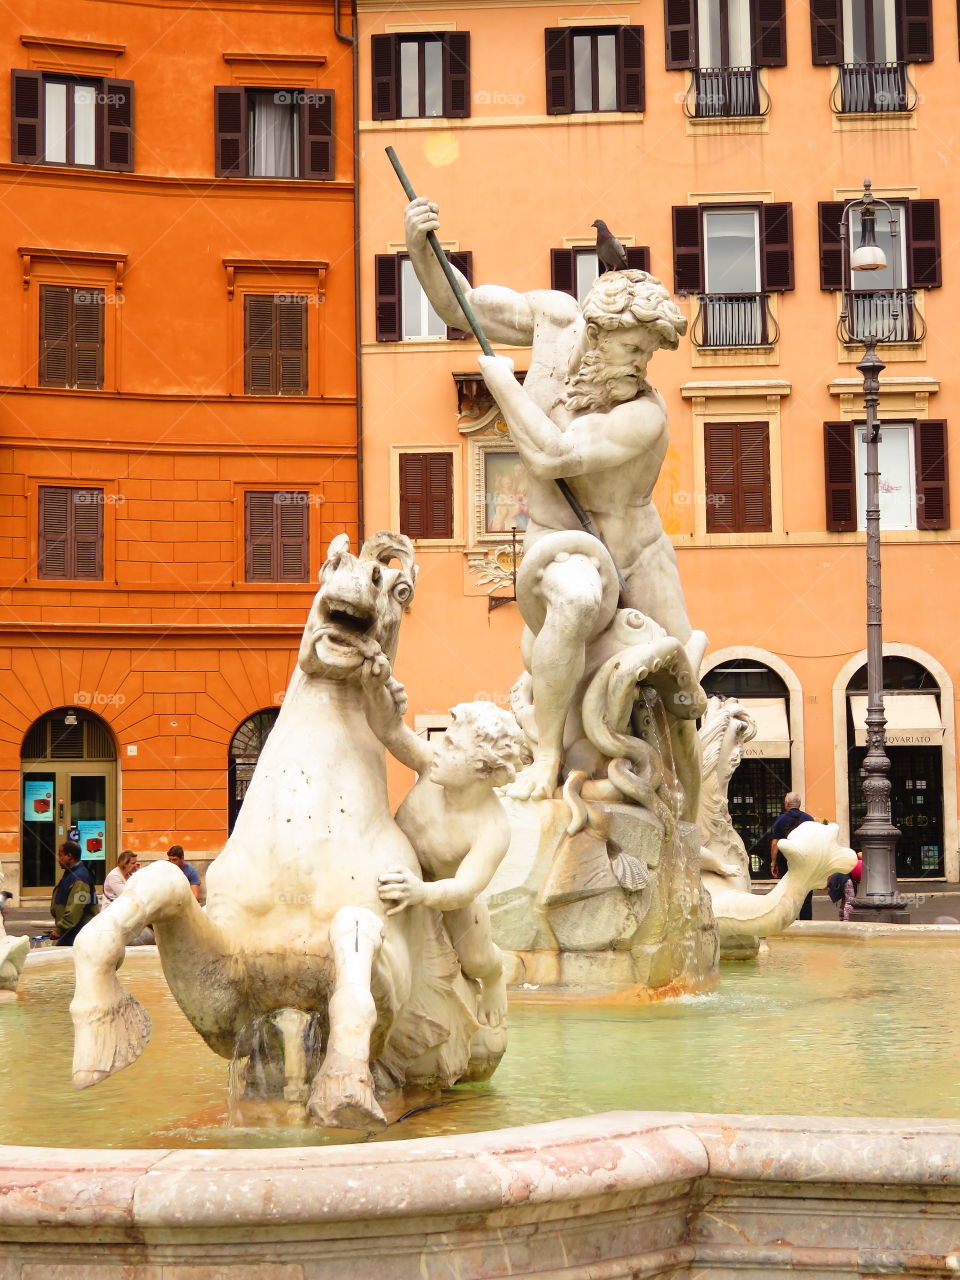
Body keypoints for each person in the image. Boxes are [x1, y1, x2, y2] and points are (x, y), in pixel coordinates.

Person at [404, 198, 704, 808]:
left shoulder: (642, 412)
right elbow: (457, 303)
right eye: (635, 351)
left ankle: (694, 823)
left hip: (637, 554)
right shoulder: (552, 319)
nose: (642, 367)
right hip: (561, 543)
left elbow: (553, 458)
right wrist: (418, 247)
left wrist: (502, 386)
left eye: (648, 356)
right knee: (573, 600)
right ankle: (546, 757)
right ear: (596, 333)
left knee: (682, 698)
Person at [365, 676, 526, 1027]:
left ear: (482, 769)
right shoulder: (432, 766)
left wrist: (422, 892)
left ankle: (496, 977)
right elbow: (392, 734)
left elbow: (465, 888)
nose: (438, 749)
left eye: (452, 746)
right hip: (396, 859)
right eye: (444, 739)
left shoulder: (491, 829)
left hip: (444, 889)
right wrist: (384, 700)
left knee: (476, 957)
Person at [769, 792, 816, 920]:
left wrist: (773, 862)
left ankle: (791, 921)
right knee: (806, 892)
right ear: (799, 804)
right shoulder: (809, 819)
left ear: (786, 804)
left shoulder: (780, 820)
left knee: (788, 892)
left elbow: (775, 843)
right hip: (806, 861)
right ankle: (806, 923)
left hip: (787, 862)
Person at [49, 840, 99, 946]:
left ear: (69, 856)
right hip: (73, 930)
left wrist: (60, 929)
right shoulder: (71, 873)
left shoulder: (80, 878)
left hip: (78, 932)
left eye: (60, 855)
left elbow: (75, 908)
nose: (58, 859)